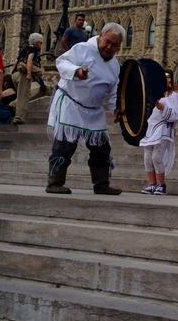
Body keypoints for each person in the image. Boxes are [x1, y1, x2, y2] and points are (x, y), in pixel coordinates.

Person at [45, 23, 125, 195]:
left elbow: (112, 93)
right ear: (101, 37)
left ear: (119, 47)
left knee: (102, 148)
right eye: (107, 42)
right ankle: (55, 182)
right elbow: (62, 62)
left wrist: (116, 109)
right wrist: (77, 71)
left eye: (114, 45)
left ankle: (101, 184)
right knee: (64, 145)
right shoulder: (82, 49)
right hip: (71, 102)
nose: (109, 47)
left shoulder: (115, 66)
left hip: (94, 110)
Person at [139, 69, 178, 195]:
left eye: (168, 77)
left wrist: (163, 107)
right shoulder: (155, 93)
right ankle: (152, 184)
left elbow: (176, 115)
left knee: (156, 156)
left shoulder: (174, 96)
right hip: (151, 127)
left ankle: (161, 184)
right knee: (147, 157)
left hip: (164, 127)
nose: (166, 79)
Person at [11, 33, 44, 125]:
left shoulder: (25, 49)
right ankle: (19, 117)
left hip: (16, 74)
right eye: (41, 43)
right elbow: (29, 60)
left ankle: (12, 105)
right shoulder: (33, 49)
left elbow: (17, 62)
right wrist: (29, 73)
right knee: (23, 96)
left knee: (24, 94)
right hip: (24, 74)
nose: (41, 45)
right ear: (37, 43)